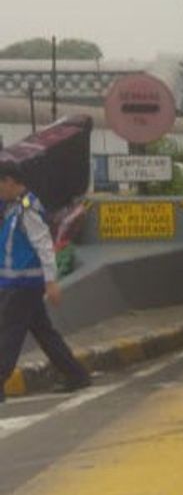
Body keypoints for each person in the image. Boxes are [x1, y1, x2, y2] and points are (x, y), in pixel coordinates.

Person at [0, 163, 91, 402]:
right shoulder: (13, 207)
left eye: (0, 183)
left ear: (10, 181)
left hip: (23, 285)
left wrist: (51, 282)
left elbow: (44, 246)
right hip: (17, 283)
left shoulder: (27, 210)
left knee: (8, 333)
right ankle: (76, 374)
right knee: (43, 332)